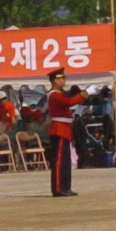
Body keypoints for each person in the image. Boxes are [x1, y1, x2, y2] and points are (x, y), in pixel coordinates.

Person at [43, 66, 83, 197]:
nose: (63, 81)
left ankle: (66, 186)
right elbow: (69, 102)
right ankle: (59, 188)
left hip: (64, 128)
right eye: (60, 79)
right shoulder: (54, 95)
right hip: (59, 128)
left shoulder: (58, 94)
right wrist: (83, 94)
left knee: (65, 160)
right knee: (59, 160)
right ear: (54, 81)